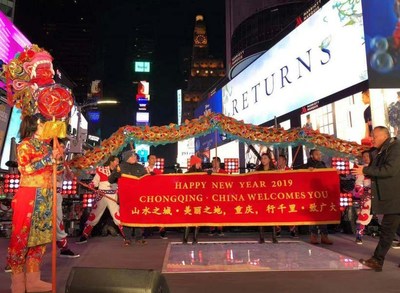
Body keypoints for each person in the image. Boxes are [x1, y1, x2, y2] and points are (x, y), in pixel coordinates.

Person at [7, 114, 62, 293]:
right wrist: (48, 159)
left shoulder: (48, 146)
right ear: (34, 125)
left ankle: (33, 280)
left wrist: (58, 159)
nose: (45, 126)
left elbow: (56, 170)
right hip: (29, 195)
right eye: (42, 123)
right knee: (21, 238)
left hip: (46, 196)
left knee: (39, 240)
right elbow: (26, 168)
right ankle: (17, 282)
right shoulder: (25, 145)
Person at [352, 126, 400, 271]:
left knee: (387, 229)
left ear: (384, 136)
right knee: (390, 229)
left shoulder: (395, 148)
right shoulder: (381, 151)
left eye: (374, 136)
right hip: (392, 196)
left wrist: (365, 170)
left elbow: (389, 170)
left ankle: (377, 260)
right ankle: (377, 260)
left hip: (395, 196)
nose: (372, 139)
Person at [76, 155, 125, 244]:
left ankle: (126, 236)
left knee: (118, 216)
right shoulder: (101, 170)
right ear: (111, 161)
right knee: (94, 216)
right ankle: (84, 235)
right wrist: (91, 185)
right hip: (102, 195)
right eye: (116, 161)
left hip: (113, 195)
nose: (118, 163)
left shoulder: (119, 171)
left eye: (118, 161)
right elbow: (95, 181)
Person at [301, 149, 333, 245]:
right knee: (313, 215)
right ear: (311, 156)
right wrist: (307, 171)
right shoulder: (307, 166)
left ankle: (324, 236)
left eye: (320, 154)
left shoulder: (322, 165)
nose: (319, 156)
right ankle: (313, 236)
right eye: (316, 154)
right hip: (311, 194)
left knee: (323, 214)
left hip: (322, 194)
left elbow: (328, 176)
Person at [55, 140, 80, 257]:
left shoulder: (64, 162)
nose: (62, 149)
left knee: (58, 221)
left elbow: (68, 178)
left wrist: (70, 173)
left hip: (57, 195)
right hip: (41, 194)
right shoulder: (46, 159)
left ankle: (64, 248)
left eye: (63, 147)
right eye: (59, 147)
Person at [118, 150, 147, 246]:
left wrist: (150, 176)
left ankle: (139, 237)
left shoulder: (140, 167)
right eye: (132, 156)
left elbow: (146, 179)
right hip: (126, 196)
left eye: (135, 156)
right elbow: (111, 179)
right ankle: (127, 238)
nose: (135, 158)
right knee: (127, 217)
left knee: (139, 216)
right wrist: (116, 173)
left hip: (138, 196)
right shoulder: (121, 167)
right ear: (127, 158)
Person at [255, 152, 278, 243]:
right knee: (261, 216)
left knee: (272, 216)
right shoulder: (258, 170)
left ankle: (274, 236)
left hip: (271, 196)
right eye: (262, 158)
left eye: (265, 158)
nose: (263, 160)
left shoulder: (273, 170)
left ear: (269, 160)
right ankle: (261, 236)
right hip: (260, 196)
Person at [145, 154, 168, 239]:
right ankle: (146, 232)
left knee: (159, 211)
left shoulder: (158, 171)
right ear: (148, 160)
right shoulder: (144, 170)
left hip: (156, 195)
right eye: (152, 158)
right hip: (146, 195)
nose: (154, 160)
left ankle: (162, 231)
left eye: (155, 158)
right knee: (147, 212)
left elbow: (162, 182)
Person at [353, 150, 373, 245]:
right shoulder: (361, 169)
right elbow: (358, 184)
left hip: (379, 194)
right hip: (367, 196)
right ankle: (359, 235)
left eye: (367, 156)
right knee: (363, 215)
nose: (365, 158)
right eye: (364, 156)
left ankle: (391, 236)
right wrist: (363, 193)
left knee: (385, 216)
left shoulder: (378, 167)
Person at [276, 154, 298, 238]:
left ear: (285, 161)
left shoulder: (289, 170)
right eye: (278, 160)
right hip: (277, 196)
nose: (279, 161)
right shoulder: (274, 171)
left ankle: (292, 230)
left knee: (290, 212)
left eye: (281, 160)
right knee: (277, 212)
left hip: (288, 195)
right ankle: (278, 230)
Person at [183, 155, 203, 244]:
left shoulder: (202, 174)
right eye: (198, 163)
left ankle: (195, 238)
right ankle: (185, 238)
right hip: (189, 201)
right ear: (194, 164)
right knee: (188, 220)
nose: (200, 164)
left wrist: (210, 175)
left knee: (197, 220)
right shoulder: (187, 174)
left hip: (198, 201)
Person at [208, 156, 227, 237]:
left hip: (220, 196)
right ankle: (212, 229)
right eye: (213, 162)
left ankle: (220, 229)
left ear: (219, 163)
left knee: (220, 212)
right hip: (211, 196)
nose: (214, 164)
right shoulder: (208, 172)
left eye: (216, 162)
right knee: (211, 212)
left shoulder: (224, 172)